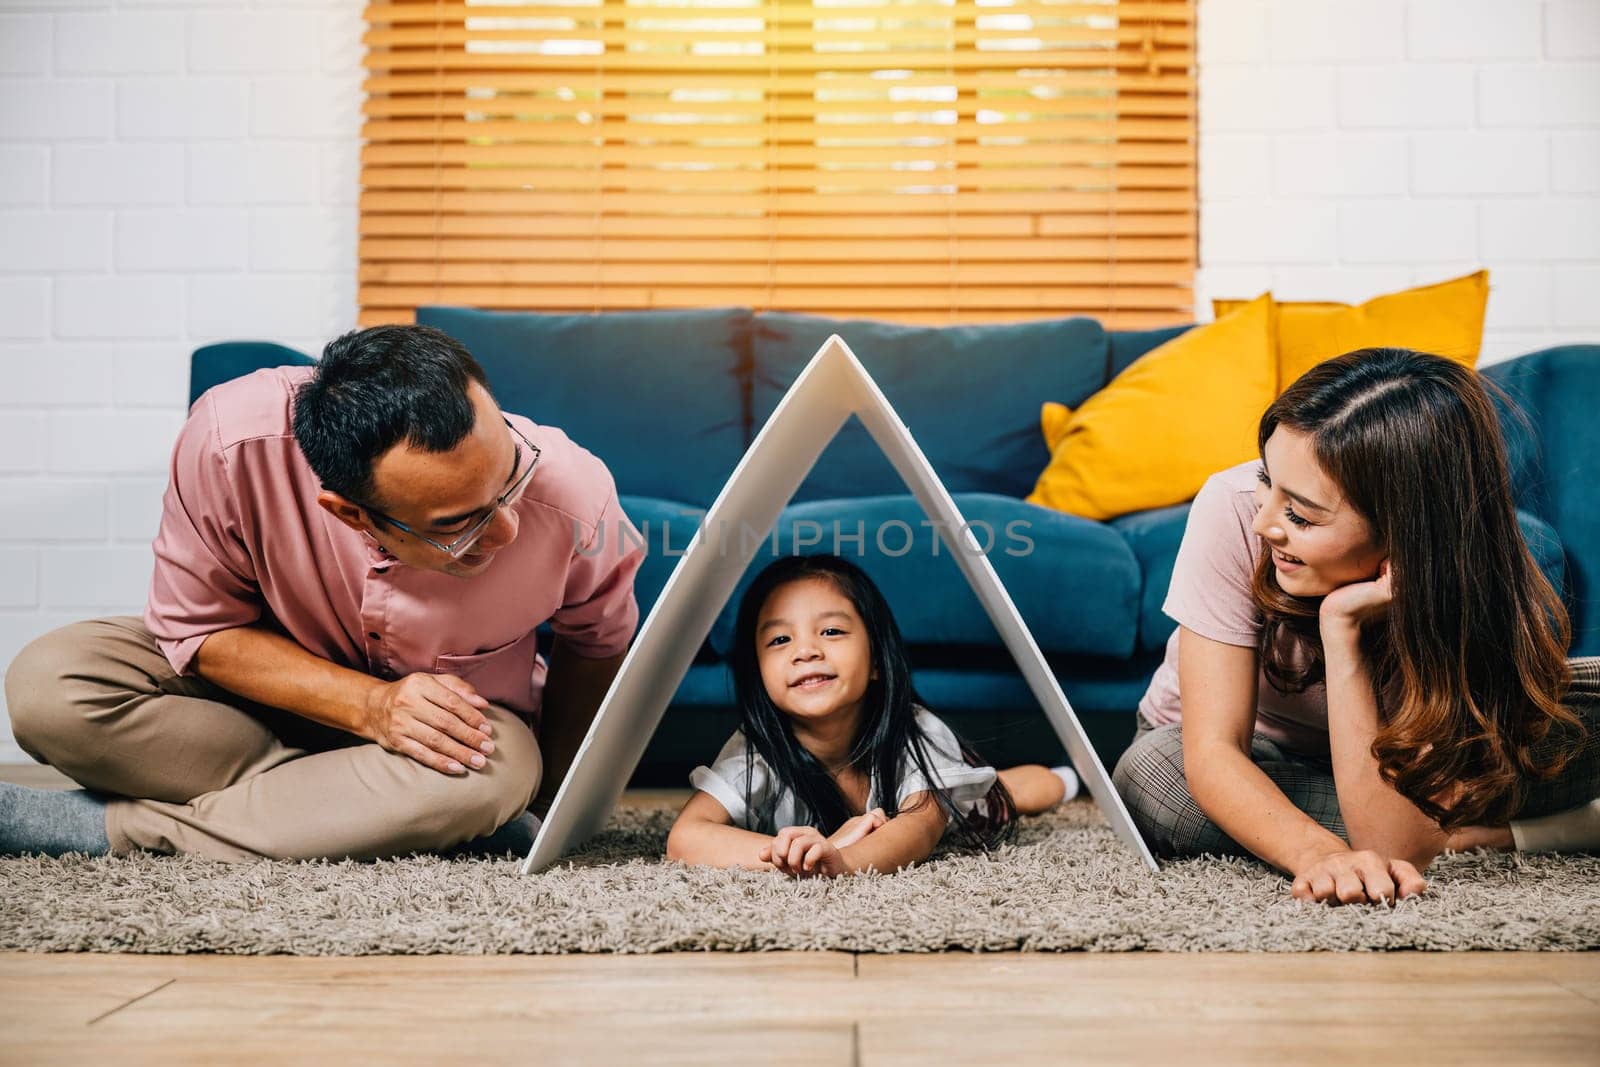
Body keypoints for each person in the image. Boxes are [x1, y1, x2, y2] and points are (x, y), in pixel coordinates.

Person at [1, 324, 643, 861]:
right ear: (350, 513)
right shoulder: (229, 443)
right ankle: (361, 813)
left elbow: (598, 645)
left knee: (494, 773)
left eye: (511, 478)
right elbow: (197, 630)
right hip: (256, 704)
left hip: (447, 742)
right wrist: (371, 708)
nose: (506, 529)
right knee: (48, 687)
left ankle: (113, 830)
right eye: (456, 525)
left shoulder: (579, 493)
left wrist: (547, 804)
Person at [1113, 347, 1600, 905]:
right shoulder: (1232, 508)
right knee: (1155, 779)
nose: (1265, 521)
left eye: (1300, 515)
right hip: (1252, 756)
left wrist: (1342, 631)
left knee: (1570, 713)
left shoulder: (1466, 565)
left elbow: (1391, 832)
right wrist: (1317, 853)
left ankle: (1451, 829)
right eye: (1266, 480)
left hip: (1400, 765)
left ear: (1405, 530)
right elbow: (1215, 752)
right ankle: (1489, 834)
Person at [667, 554, 1080, 877]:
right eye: (780, 639)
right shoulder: (756, 750)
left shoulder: (917, 731)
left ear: (877, 661)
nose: (805, 650)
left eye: (831, 631)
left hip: (943, 797)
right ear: (757, 674)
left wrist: (843, 861)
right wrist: (790, 856)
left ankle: (1068, 777)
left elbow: (918, 829)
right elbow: (686, 838)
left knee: (1005, 793)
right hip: (832, 828)